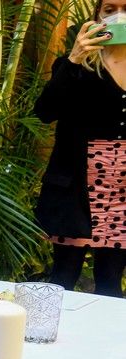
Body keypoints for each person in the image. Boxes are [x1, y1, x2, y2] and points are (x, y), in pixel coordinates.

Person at [33, 1, 126, 297]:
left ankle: (106, 344)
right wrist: (75, 57)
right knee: (63, 276)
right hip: (76, 183)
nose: (117, 16)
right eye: (108, 9)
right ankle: (46, 340)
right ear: (96, 16)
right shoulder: (76, 66)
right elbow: (45, 112)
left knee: (110, 281)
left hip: (121, 184)